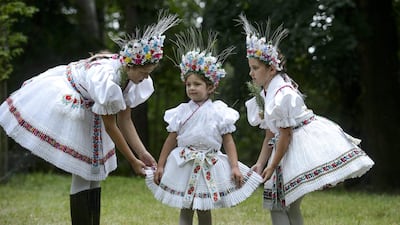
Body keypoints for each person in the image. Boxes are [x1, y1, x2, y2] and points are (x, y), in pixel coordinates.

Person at [0, 11, 180, 225]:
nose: (145, 78)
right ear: (131, 65)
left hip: (92, 105)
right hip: (71, 96)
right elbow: (112, 126)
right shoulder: (108, 80)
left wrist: (143, 153)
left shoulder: (130, 80)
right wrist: (132, 161)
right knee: (85, 169)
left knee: (94, 172)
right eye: (144, 73)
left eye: (149, 73)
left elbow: (125, 120)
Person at [237, 14, 374, 225]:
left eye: (255, 68)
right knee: (282, 204)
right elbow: (269, 134)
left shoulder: (282, 94)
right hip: (282, 146)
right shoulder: (265, 94)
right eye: (250, 68)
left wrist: (272, 165)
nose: (251, 73)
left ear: (271, 69)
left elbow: (285, 135)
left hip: (295, 144)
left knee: (280, 204)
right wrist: (260, 162)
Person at [145, 28, 263, 225]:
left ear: (210, 87)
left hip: (209, 163)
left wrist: (234, 166)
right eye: (188, 84)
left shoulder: (219, 112)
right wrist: (161, 164)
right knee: (186, 205)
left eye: (197, 84)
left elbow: (228, 141)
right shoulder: (181, 111)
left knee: (204, 206)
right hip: (184, 163)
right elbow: (171, 139)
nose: (191, 88)